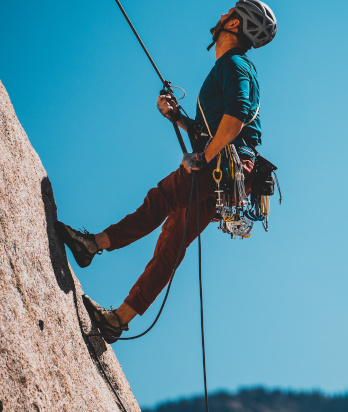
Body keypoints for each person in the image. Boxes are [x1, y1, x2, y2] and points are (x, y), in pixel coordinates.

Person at [56, 0, 278, 343]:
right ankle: (118, 320)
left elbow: (235, 119)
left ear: (234, 24)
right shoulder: (233, 66)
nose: (221, 15)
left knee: (160, 200)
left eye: (228, 12)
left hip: (223, 165)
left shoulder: (234, 64)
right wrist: (177, 117)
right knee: (172, 241)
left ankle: (92, 245)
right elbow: (219, 127)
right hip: (233, 175)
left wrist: (203, 157)